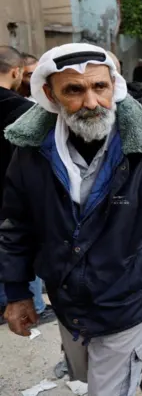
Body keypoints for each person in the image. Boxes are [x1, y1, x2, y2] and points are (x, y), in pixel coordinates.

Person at [0, 43, 142, 396]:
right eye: (74, 91)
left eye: (99, 87)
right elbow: (16, 227)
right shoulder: (31, 153)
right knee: (81, 371)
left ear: (115, 86)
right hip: (67, 299)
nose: (91, 102)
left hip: (126, 298)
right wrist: (16, 292)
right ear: (50, 94)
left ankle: (133, 356)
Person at [0, 46, 55, 326]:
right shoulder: (22, 111)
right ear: (15, 72)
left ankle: (7, 299)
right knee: (22, 241)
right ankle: (32, 303)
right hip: (15, 191)